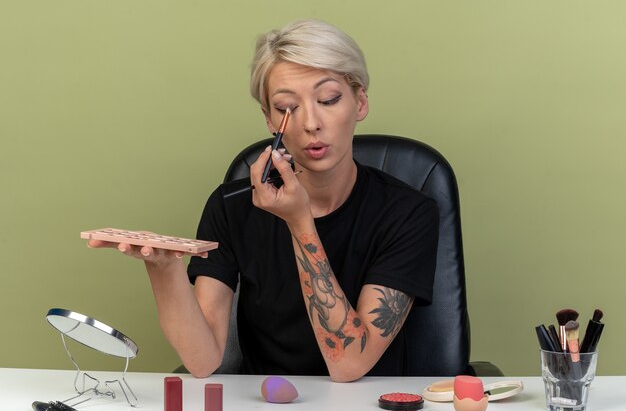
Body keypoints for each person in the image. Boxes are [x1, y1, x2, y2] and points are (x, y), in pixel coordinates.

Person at [88, 19, 439, 382]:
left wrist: (299, 222)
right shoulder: (231, 207)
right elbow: (203, 360)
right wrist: (164, 269)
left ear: (360, 102)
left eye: (328, 99)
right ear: (271, 120)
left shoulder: (408, 213)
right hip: (264, 406)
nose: (311, 123)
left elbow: (348, 364)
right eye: (288, 107)